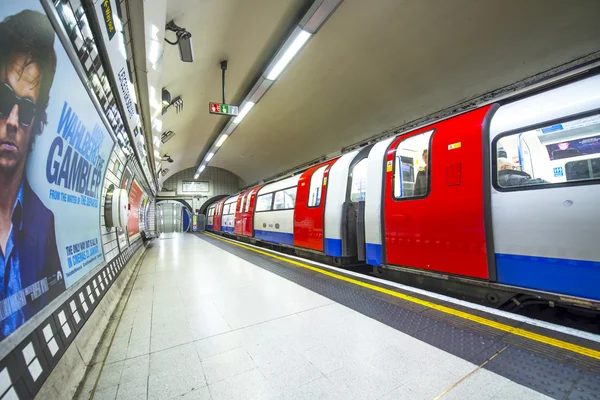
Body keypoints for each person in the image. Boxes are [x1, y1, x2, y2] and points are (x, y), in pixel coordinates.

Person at [0, 10, 64, 339]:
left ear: (35, 120)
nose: (12, 121)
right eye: (3, 100)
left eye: (25, 109)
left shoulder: (43, 221)